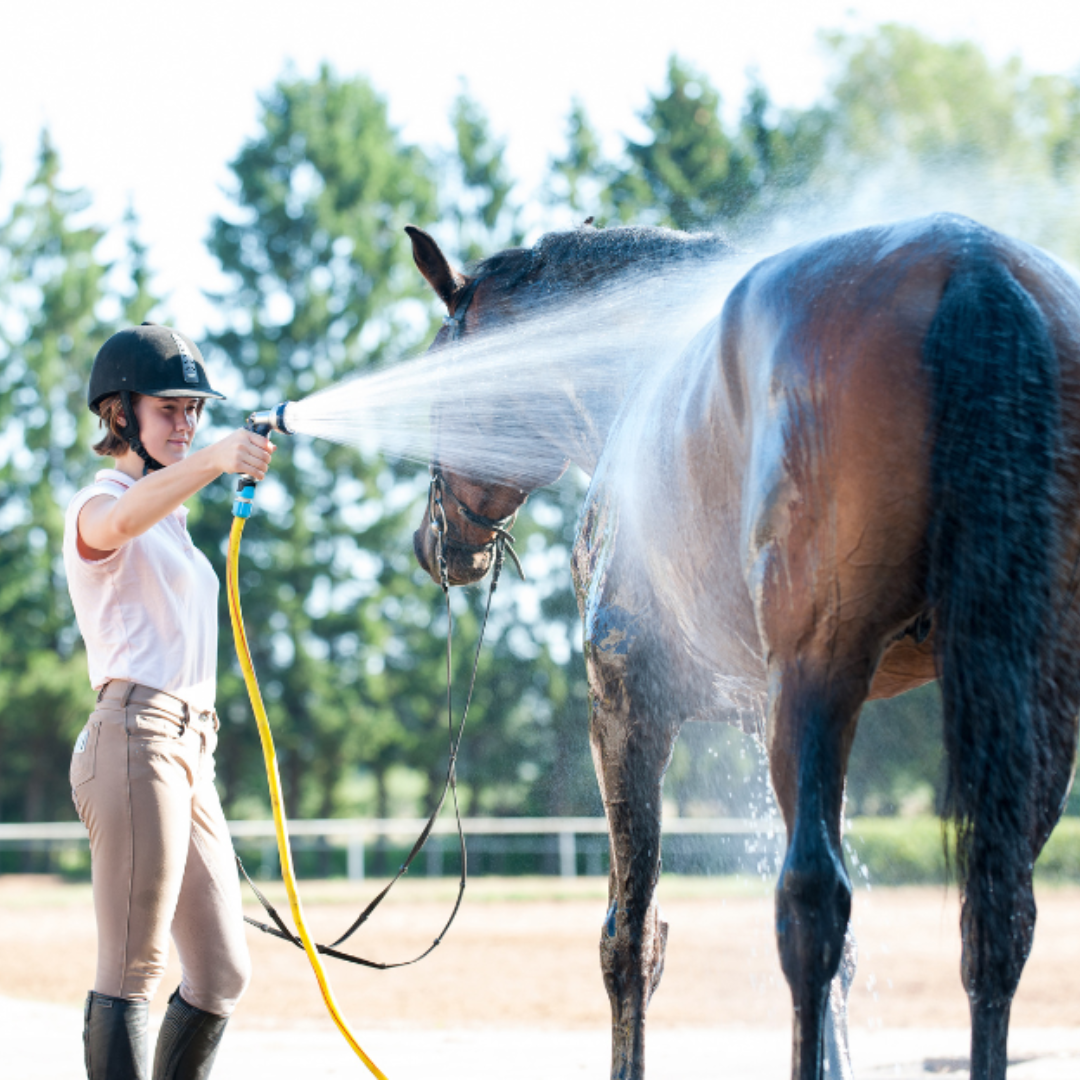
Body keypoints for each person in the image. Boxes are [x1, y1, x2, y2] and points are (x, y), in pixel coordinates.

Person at [63, 323, 274, 1079]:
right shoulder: (101, 503)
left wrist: (210, 465)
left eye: (195, 411)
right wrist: (216, 459)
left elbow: (152, 513)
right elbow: (117, 523)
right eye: (170, 409)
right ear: (121, 415)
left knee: (221, 974)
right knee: (133, 967)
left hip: (189, 751)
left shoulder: (172, 523)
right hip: (134, 737)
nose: (187, 423)